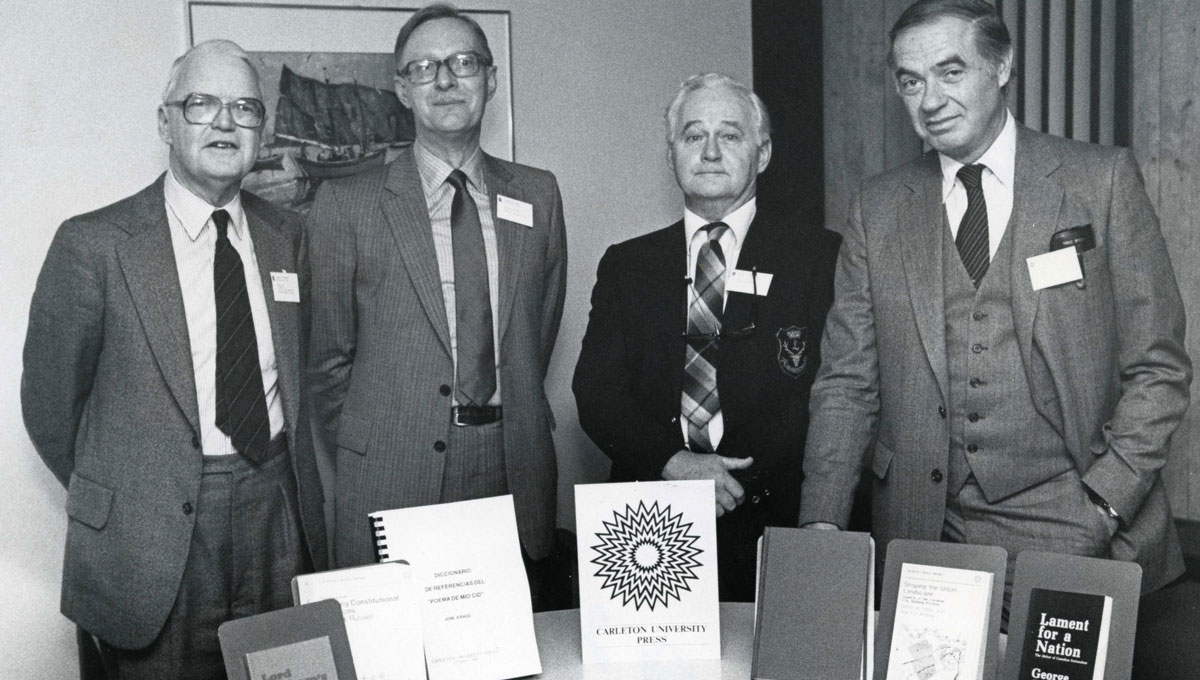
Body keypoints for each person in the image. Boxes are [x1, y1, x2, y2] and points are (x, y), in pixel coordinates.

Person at [799, 0, 1191, 604]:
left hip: (1079, 529)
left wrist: (1104, 502)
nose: (929, 100)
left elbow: (1158, 368)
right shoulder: (877, 209)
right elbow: (847, 382)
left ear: (1002, 66)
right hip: (924, 539)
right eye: (911, 81)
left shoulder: (1100, 181)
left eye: (951, 72)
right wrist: (822, 523)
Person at [21, 40, 326, 679]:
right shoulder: (94, 245)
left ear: (261, 128)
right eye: (200, 104)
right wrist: (134, 488)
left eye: (244, 108)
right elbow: (50, 410)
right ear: (166, 121)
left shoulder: (288, 237)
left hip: (275, 515)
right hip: (151, 540)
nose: (224, 122)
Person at [304, 3, 567, 598]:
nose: (445, 80)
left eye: (463, 63)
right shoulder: (346, 206)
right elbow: (325, 365)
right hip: (391, 473)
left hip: (510, 464)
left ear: (491, 79)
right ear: (402, 88)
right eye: (424, 68)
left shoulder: (539, 195)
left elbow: (536, 331)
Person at [573, 73, 839, 601]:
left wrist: (731, 481)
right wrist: (677, 464)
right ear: (671, 153)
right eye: (694, 136)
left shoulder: (819, 257)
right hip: (648, 527)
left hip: (776, 520)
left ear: (762, 153)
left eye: (731, 136)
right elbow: (597, 392)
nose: (711, 152)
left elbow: (835, 392)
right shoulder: (628, 264)